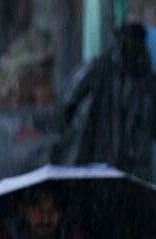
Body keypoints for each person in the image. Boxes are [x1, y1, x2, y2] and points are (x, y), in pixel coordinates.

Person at [56, 23, 156, 180]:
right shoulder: (101, 70)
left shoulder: (145, 82)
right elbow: (67, 105)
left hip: (111, 164)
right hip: (108, 164)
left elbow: (67, 104)